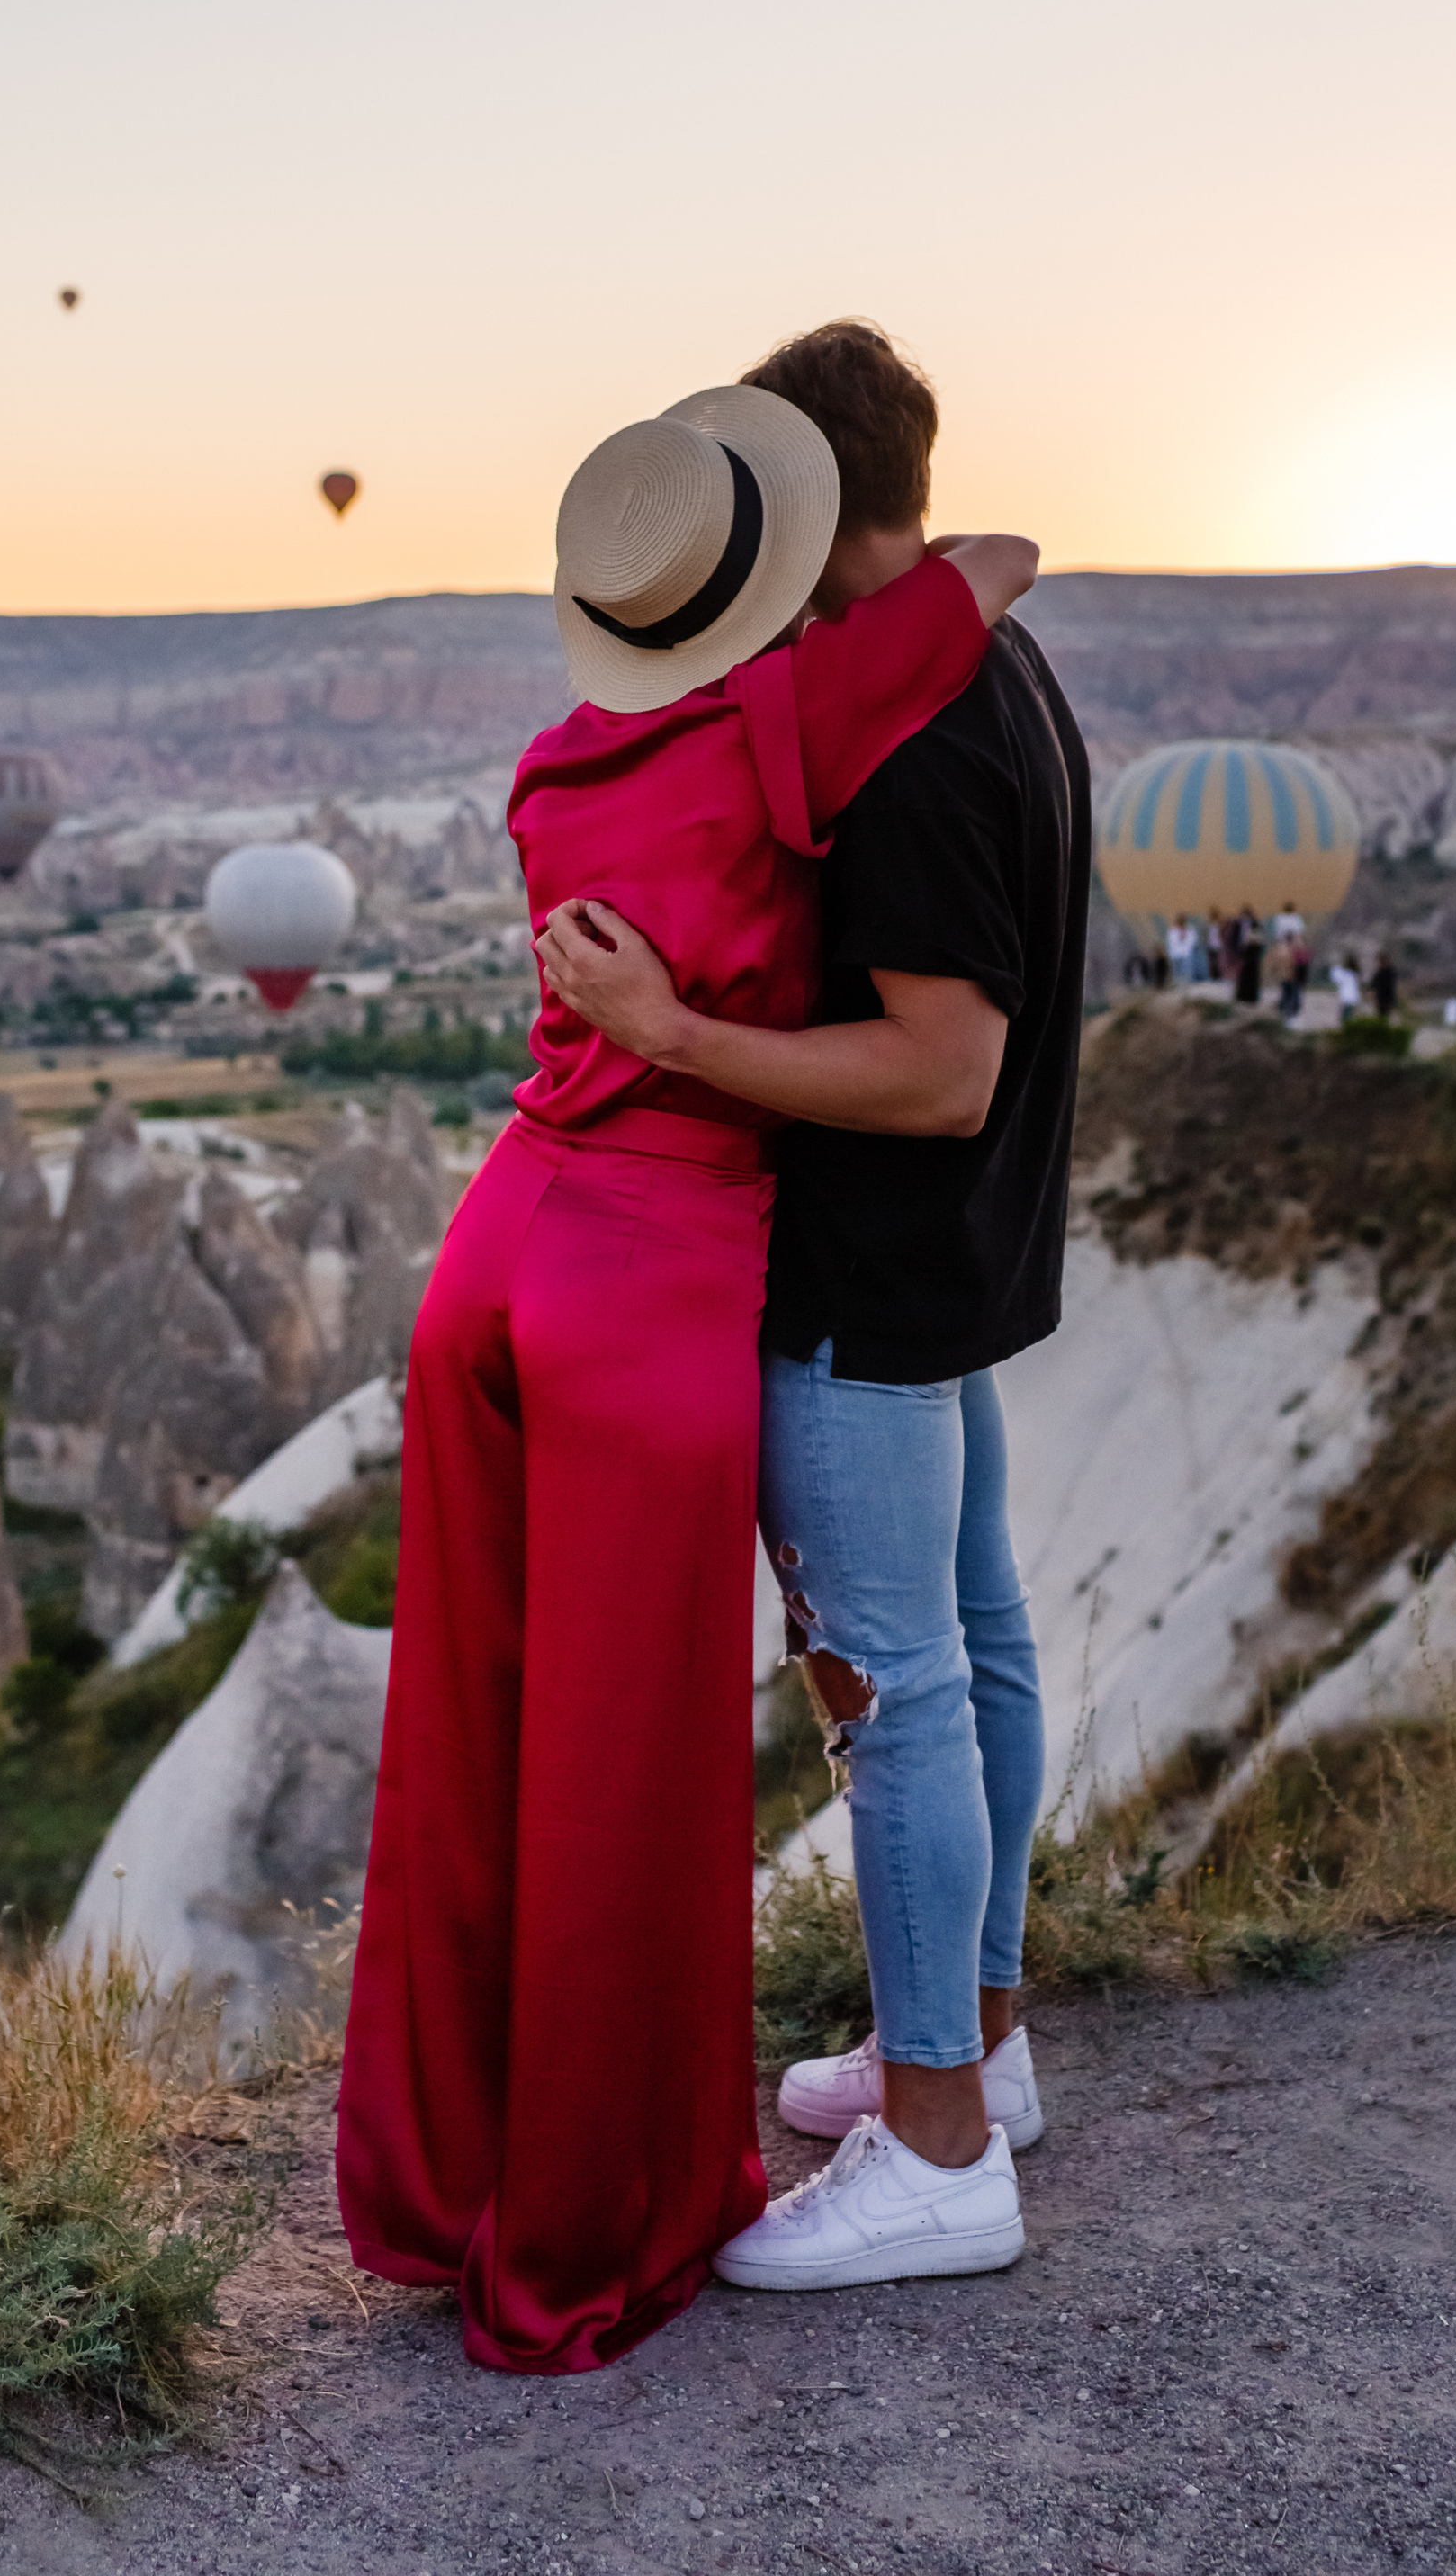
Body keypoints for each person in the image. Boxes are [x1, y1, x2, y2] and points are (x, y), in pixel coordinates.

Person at [336, 379, 1038, 2374]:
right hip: (649, 1271)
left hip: (498, 1245)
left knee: (474, 1741)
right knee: (619, 1775)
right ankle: (586, 2230)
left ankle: (442, 2183)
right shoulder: (794, 727)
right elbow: (996, 562)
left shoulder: (558, 761)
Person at [542, 319, 1091, 2300]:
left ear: (795, 503)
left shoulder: (915, 753)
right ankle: (977, 2057)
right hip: (963, 1259)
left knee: (890, 1694)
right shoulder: (985, 664)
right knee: (982, 1638)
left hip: (867, 1273)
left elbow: (934, 1069)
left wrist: (663, 1030)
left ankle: (937, 2148)